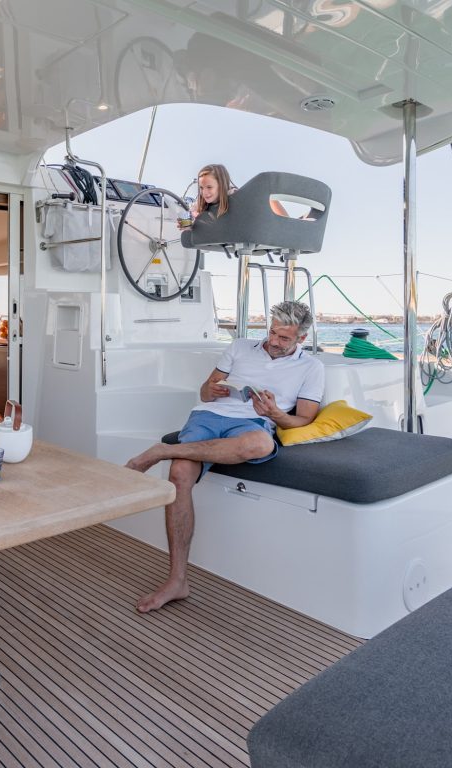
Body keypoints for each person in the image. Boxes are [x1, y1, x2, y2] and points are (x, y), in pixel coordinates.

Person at [125, 301, 324, 613]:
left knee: (260, 444)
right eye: (272, 332)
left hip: (252, 424)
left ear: (301, 339)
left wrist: (274, 413)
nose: (273, 341)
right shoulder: (240, 346)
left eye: (284, 338)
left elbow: (304, 420)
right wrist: (211, 389)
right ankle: (178, 580)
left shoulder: (311, 367)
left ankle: (163, 450)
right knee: (179, 475)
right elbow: (205, 391)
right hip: (209, 415)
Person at [180, 163, 288, 229]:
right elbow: (189, 213)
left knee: (267, 196)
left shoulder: (234, 195)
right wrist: (188, 223)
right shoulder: (201, 202)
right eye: (201, 188)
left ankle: (289, 223)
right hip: (240, 225)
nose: (205, 192)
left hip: (260, 218)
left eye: (209, 187)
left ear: (221, 185)